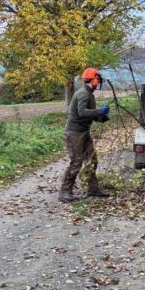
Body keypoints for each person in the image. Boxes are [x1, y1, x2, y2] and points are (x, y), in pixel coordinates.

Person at [58, 68, 110, 202]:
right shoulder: (83, 94)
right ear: (93, 79)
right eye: (97, 80)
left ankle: (92, 190)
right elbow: (82, 112)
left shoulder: (89, 94)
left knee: (92, 160)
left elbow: (89, 114)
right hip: (75, 132)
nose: (98, 83)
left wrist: (101, 116)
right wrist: (99, 111)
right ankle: (64, 192)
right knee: (76, 162)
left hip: (84, 131)